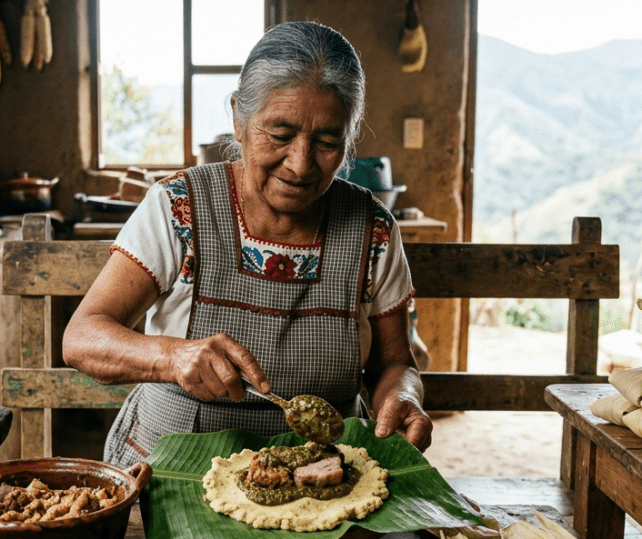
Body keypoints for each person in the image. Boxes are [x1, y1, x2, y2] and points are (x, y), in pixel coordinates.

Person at [62, 21, 431, 466]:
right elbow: (82, 337)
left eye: (328, 141)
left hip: (321, 476)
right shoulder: (178, 206)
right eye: (279, 135)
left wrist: (404, 393)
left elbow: (395, 363)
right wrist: (172, 357)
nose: (300, 164)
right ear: (239, 118)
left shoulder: (373, 228)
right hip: (175, 471)